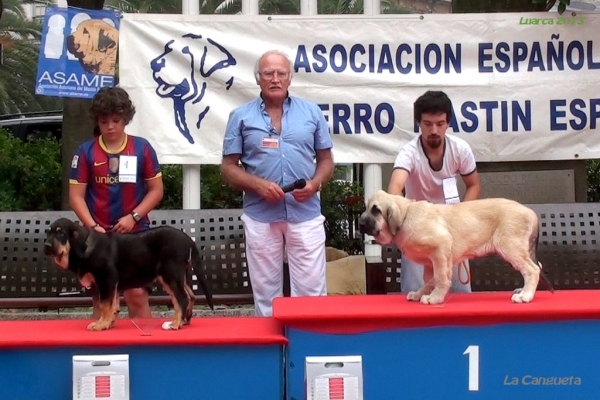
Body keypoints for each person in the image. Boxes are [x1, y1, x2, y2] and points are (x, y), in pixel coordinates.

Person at [220, 50, 334, 317]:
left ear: (290, 78)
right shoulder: (240, 116)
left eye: (281, 73)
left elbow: (327, 160)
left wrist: (316, 183)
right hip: (261, 215)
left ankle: (309, 349)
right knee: (266, 296)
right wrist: (257, 185)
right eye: (268, 73)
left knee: (311, 294)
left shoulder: (312, 112)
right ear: (258, 78)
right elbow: (227, 169)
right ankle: (270, 354)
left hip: (304, 213)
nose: (275, 79)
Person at [69, 86, 164, 318]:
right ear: (97, 121)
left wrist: (134, 217)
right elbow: (76, 196)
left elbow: (156, 190)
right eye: (104, 121)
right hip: (97, 236)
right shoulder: (85, 152)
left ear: (126, 119)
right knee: (102, 295)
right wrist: (92, 227)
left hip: (135, 233)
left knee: (137, 293)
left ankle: (143, 348)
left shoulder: (142, 148)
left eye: (116, 120)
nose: (110, 126)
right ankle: (102, 349)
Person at [387, 90, 481, 294]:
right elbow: (395, 189)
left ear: (448, 123)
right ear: (418, 123)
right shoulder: (408, 153)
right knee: (415, 293)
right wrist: (401, 223)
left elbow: (473, 185)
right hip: (416, 231)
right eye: (428, 124)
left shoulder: (460, 149)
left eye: (440, 124)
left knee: (459, 296)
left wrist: (462, 216)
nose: (434, 130)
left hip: (451, 229)